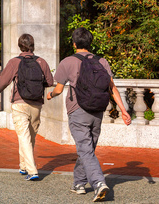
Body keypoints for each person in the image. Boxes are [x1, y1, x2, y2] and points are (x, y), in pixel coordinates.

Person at [47, 27, 131, 202]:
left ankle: (98, 183)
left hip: (78, 110)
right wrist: (123, 110)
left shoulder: (67, 62)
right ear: (90, 42)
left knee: (85, 150)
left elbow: (59, 89)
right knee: (88, 149)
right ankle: (79, 184)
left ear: (74, 43)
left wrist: (51, 94)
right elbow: (112, 88)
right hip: (98, 111)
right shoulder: (102, 61)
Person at [0, 33, 54, 181]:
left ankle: (32, 171)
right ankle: (23, 166)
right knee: (30, 137)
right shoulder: (41, 62)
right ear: (32, 45)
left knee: (24, 136)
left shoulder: (14, 62)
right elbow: (50, 81)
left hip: (19, 104)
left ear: (19, 46)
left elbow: (4, 81)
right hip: (36, 104)